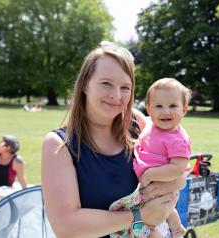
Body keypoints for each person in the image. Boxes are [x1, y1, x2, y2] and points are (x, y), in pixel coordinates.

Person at [41, 40, 186, 238]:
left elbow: (179, 175)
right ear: (85, 84)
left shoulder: (137, 123)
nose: (116, 96)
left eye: (125, 87)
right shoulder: (59, 145)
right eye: (106, 84)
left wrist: (173, 183)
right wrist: (140, 216)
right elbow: (66, 227)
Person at [133, 78, 191, 238]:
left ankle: (175, 229)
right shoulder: (151, 126)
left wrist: (150, 175)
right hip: (153, 191)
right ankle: (177, 228)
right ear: (149, 110)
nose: (165, 111)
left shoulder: (177, 139)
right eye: (159, 106)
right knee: (161, 214)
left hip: (158, 188)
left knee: (146, 227)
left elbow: (177, 169)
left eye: (173, 106)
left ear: (184, 110)